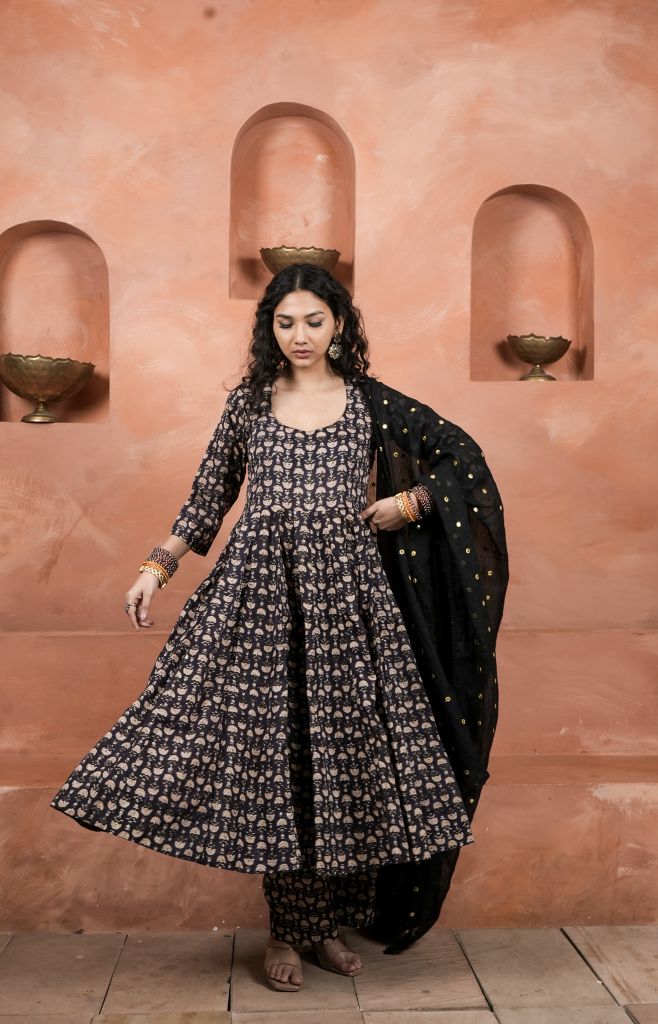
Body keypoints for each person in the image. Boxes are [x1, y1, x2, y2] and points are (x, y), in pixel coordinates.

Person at [49, 263, 508, 993]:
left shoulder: (370, 403)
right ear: (270, 328)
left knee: (346, 759)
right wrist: (155, 568)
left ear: (339, 325)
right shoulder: (249, 404)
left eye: (314, 321)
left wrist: (410, 504)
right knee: (282, 763)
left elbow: (466, 464)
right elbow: (208, 499)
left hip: (349, 608)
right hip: (259, 604)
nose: (300, 335)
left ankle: (326, 924)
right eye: (285, 322)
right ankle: (288, 931)